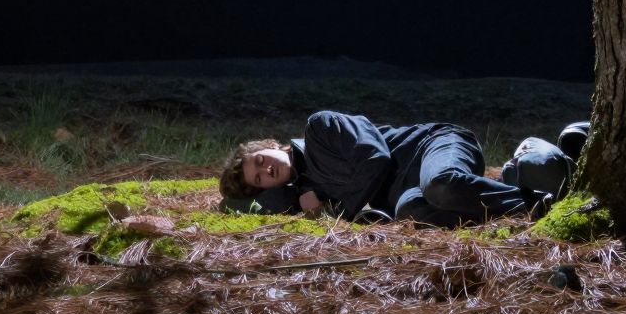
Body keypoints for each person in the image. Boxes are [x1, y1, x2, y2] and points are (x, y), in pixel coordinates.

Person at [218, 110, 570, 225]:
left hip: (434, 145)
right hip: (408, 189)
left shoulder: (320, 127)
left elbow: (375, 158)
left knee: (441, 185)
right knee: (410, 211)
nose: (266, 171)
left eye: (261, 161)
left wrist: (339, 214)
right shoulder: (308, 194)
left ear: (270, 146)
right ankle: (515, 183)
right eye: (259, 178)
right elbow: (235, 207)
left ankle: (544, 206)